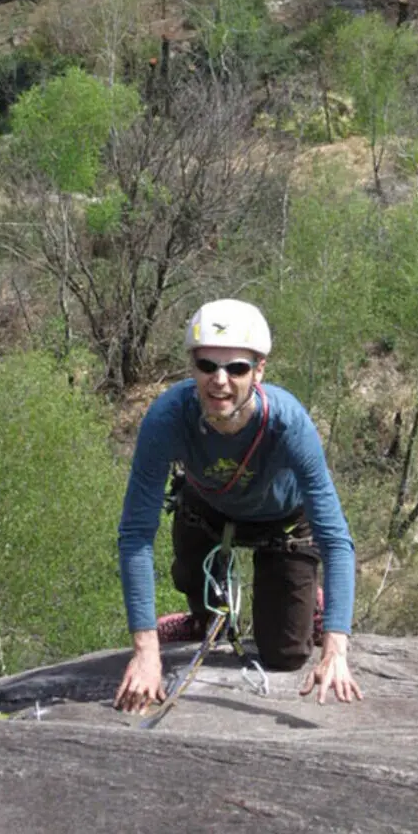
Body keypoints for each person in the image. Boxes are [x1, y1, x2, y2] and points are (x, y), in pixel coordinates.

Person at [114, 299, 362, 713]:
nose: (220, 381)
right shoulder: (167, 419)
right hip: (208, 509)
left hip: (282, 523)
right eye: (207, 365)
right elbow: (136, 533)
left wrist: (336, 647)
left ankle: (311, 605)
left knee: (285, 654)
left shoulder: (288, 424)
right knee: (207, 624)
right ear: (192, 366)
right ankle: (202, 615)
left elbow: (335, 539)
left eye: (237, 369)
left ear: (259, 370)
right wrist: (145, 650)